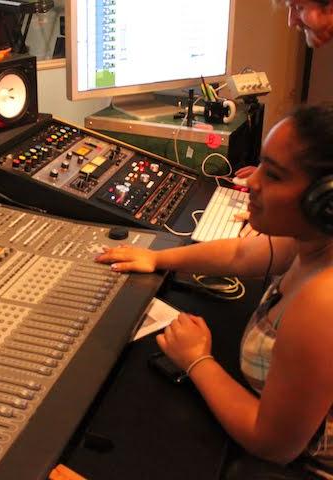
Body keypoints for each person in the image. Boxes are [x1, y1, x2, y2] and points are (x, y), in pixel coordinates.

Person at [96, 104, 333, 479]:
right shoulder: (310, 242)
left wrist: (196, 360)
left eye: (273, 174)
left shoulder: (323, 302)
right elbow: (240, 253)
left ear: (326, 202)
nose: (251, 183)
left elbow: (273, 445)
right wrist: (158, 259)